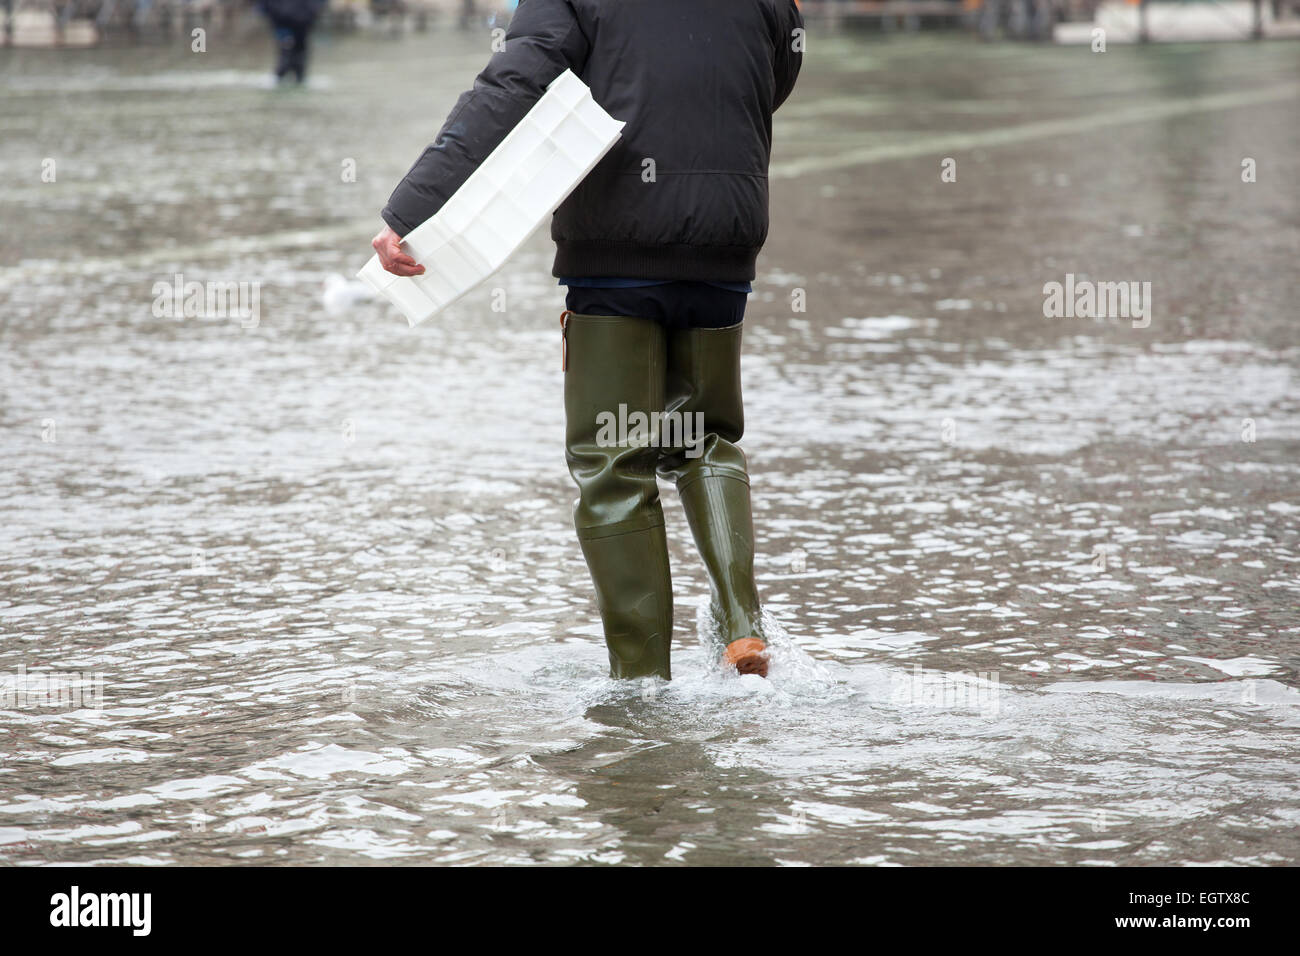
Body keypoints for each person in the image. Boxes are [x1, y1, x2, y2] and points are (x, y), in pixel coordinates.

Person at [371, 0, 803, 680]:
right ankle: (743, 622)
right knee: (707, 436)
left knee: (614, 461)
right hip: (729, 228)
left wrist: (415, 206)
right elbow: (778, 68)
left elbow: (514, 83)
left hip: (617, 234)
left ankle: (641, 687)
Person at [259, 0, 325, 85]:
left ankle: (297, 78)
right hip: (283, 23)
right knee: (286, 55)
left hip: (303, 23)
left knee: (300, 57)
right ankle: (281, 78)